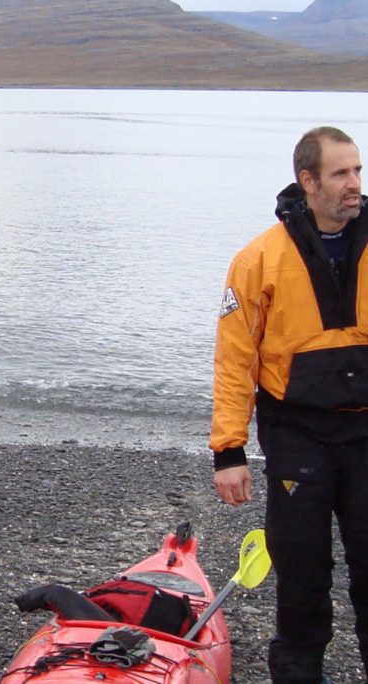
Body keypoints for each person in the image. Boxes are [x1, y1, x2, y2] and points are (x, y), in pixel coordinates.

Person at [210, 126, 368, 684]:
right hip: (297, 438)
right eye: (341, 173)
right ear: (308, 181)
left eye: (357, 171)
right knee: (303, 582)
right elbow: (235, 361)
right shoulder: (257, 261)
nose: (355, 184)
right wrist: (228, 450)